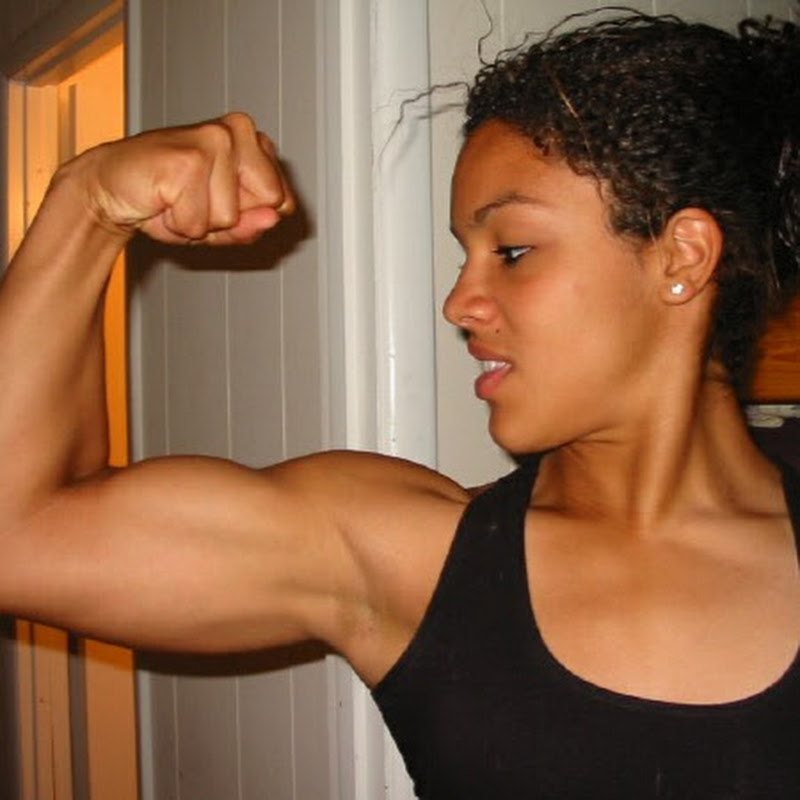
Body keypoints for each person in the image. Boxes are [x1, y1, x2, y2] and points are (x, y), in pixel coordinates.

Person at [2, 7, 800, 798]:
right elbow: (19, 538)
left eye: (512, 250)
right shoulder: (409, 560)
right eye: (465, 254)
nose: (458, 304)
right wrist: (87, 202)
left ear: (681, 257)